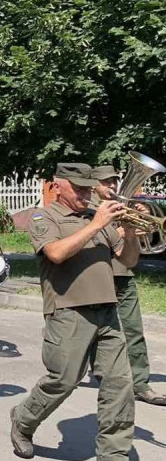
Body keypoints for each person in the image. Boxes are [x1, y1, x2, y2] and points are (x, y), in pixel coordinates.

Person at [10, 163, 150, 461]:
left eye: (89, 189)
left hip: (107, 310)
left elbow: (127, 260)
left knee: (119, 383)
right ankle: (24, 418)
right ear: (58, 186)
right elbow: (56, 253)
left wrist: (128, 231)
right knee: (63, 380)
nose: (86, 195)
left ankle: (113, 458)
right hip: (68, 310)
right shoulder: (45, 218)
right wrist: (98, 222)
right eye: (79, 189)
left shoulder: (96, 219)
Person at [89, 165, 166, 407]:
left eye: (114, 181)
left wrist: (142, 224)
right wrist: (117, 231)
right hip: (97, 275)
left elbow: (149, 241)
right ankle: (100, 375)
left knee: (133, 330)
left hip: (124, 273)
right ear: (93, 185)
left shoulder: (124, 205)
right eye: (106, 182)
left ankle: (141, 384)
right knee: (95, 331)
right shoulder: (86, 209)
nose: (112, 186)